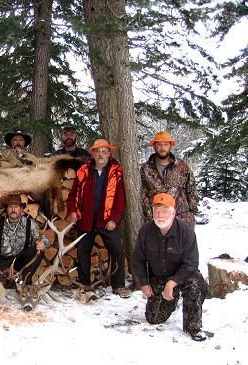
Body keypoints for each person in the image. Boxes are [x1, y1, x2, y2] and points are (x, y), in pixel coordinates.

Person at [131, 193, 208, 341]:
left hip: (183, 277)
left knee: (194, 285)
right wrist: (144, 283)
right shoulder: (145, 231)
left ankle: (193, 327)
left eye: (164, 211)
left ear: (173, 212)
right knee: (153, 319)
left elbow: (191, 263)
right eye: (156, 211)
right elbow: (137, 260)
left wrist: (172, 283)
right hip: (159, 277)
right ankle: (172, 301)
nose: (160, 215)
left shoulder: (186, 232)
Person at [66, 139, 131, 298]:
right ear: (92, 154)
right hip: (85, 219)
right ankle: (84, 284)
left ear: (109, 154)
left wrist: (114, 219)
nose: (101, 154)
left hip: (106, 219)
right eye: (98, 151)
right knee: (83, 252)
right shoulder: (83, 171)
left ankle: (118, 285)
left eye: (104, 151)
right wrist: (72, 211)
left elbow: (120, 199)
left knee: (117, 249)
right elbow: (73, 194)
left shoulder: (116, 172)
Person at [0, 194, 50, 284]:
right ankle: (12, 282)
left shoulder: (30, 224)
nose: (13, 210)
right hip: (4, 261)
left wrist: (43, 244)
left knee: (37, 251)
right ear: (7, 209)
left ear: (21, 209)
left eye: (16, 207)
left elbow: (45, 241)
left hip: (22, 262)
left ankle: (24, 281)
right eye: (10, 207)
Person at [140, 131, 199, 228]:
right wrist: (149, 216)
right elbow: (143, 194)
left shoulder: (182, 166)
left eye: (166, 144)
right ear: (154, 146)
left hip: (182, 220)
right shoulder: (145, 168)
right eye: (159, 144)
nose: (162, 148)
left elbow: (191, 189)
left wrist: (191, 212)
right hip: (158, 220)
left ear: (170, 146)